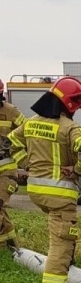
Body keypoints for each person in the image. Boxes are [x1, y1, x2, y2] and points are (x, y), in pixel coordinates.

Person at [9, 76, 81, 283]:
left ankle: (69, 263)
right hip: (60, 194)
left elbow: (11, 143)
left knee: (62, 232)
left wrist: (27, 164)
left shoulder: (31, 122)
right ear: (69, 104)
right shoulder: (69, 128)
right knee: (61, 243)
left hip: (36, 191)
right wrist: (77, 170)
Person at [0, 79, 26, 249]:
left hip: (6, 170)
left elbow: (28, 131)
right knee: (2, 211)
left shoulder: (11, 111)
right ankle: (13, 248)